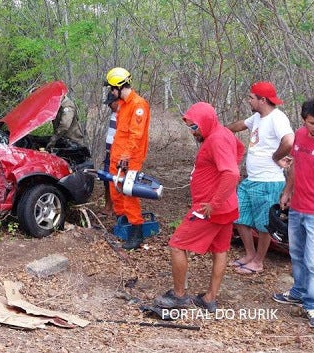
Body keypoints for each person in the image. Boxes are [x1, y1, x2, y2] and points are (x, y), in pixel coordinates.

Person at [154, 102, 244, 312]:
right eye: (191, 127)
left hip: (210, 209)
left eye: (195, 127)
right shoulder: (224, 133)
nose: (193, 132)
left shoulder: (217, 139)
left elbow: (232, 173)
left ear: (206, 121)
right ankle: (209, 298)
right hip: (227, 205)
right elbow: (239, 151)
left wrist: (214, 201)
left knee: (177, 245)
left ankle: (179, 296)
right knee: (220, 250)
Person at [226, 81, 294, 274]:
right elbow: (241, 125)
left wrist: (276, 157)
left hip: (268, 181)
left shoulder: (277, 118)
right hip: (252, 179)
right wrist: (221, 129)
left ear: (262, 100)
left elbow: (289, 141)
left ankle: (258, 261)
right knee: (239, 216)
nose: (249, 100)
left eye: (251, 97)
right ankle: (249, 254)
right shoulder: (257, 117)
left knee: (265, 224)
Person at [272, 97, 314, 328]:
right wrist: (287, 191)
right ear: (304, 120)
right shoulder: (300, 136)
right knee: (297, 254)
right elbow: (295, 164)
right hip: (297, 207)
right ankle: (299, 291)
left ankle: (313, 305)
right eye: (313, 123)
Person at [104, 67, 150, 250]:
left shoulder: (139, 105)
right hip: (117, 158)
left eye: (111, 88)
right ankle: (122, 225)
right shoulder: (123, 104)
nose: (111, 92)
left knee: (129, 194)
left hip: (130, 159)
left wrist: (125, 156)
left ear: (119, 86)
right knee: (116, 192)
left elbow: (135, 136)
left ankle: (136, 233)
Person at [102, 92, 119, 216]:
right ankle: (108, 207)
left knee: (117, 181)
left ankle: (116, 208)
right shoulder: (114, 114)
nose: (109, 106)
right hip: (109, 153)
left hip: (118, 154)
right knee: (106, 180)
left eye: (111, 103)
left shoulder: (125, 114)